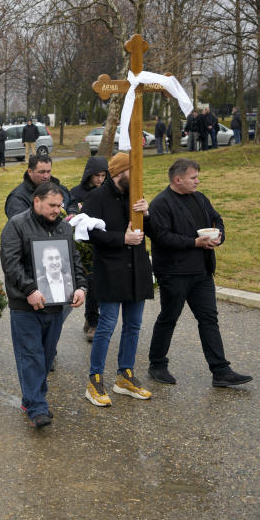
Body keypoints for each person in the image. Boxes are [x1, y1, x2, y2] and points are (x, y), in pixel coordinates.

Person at [146, 158, 252, 388]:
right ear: (178, 179)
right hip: (174, 273)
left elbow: (217, 219)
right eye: (193, 178)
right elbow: (161, 237)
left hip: (202, 271)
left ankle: (220, 370)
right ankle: (157, 364)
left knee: (208, 319)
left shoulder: (200, 198)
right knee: (169, 317)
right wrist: (194, 242)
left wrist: (219, 235)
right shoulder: (161, 204)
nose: (197, 181)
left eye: (197, 177)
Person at [0, 182, 87, 428]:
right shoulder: (16, 225)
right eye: (51, 205)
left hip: (56, 305)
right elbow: (11, 262)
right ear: (36, 201)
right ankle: (38, 408)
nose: (57, 210)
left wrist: (81, 286)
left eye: (59, 205)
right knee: (31, 356)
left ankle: (31, 398)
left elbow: (73, 260)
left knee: (46, 357)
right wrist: (29, 290)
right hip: (25, 305)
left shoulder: (63, 227)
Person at [81, 152, 154, 407]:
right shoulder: (96, 198)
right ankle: (95, 379)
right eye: (133, 173)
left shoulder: (136, 195)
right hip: (111, 271)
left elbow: (153, 231)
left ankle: (125, 375)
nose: (138, 179)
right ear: (119, 173)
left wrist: (148, 214)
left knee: (133, 325)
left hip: (137, 271)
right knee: (107, 324)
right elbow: (89, 235)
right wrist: (121, 239)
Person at [67, 155, 108, 341]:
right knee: (90, 284)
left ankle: (94, 319)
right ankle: (92, 321)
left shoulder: (108, 191)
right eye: (96, 175)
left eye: (103, 175)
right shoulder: (77, 192)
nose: (100, 179)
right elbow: (71, 211)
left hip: (104, 240)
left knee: (100, 285)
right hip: (84, 245)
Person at [4, 154, 70, 219]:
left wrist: (71, 215)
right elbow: (21, 225)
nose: (46, 176)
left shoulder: (60, 189)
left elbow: (72, 203)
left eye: (48, 172)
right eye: (41, 172)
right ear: (30, 171)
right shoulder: (18, 198)